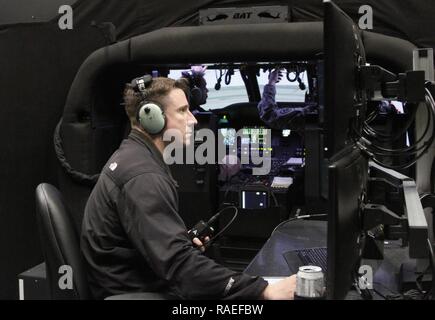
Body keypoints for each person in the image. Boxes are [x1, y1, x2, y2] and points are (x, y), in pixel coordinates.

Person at [81, 75, 296, 300]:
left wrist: (179, 242)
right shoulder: (143, 176)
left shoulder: (132, 156)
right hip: (137, 292)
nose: (193, 120)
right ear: (151, 118)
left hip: (134, 282)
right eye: (183, 111)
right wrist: (264, 290)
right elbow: (180, 267)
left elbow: (158, 249)